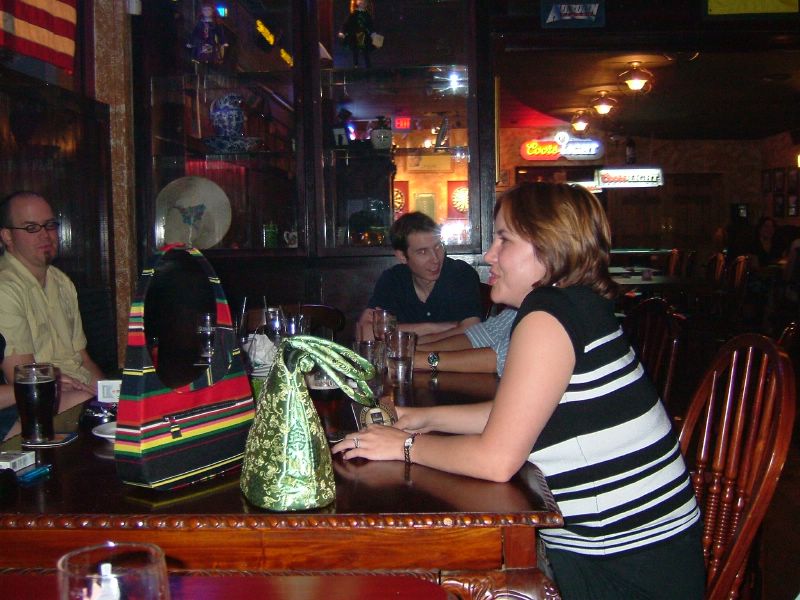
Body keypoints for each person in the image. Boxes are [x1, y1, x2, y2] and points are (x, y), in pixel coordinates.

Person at [336, 183, 704, 599]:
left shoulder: (548, 316)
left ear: (548, 247)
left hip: (623, 572)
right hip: (648, 554)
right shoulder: (575, 304)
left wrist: (403, 446)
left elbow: (495, 460)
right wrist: (422, 418)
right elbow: (520, 412)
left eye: (504, 240)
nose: (489, 255)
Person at [0, 192, 102, 439]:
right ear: (7, 236)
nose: (45, 235)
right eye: (31, 228)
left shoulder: (61, 281)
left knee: (132, 397)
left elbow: (83, 359)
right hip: (34, 400)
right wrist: (78, 391)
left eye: (50, 225)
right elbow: (22, 378)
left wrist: (111, 393)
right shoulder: (5, 288)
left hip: (75, 389)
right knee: (87, 404)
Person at [356, 212, 482, 340]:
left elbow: (473, 331)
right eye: (422, 252)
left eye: (438, 246)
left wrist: (400, 334)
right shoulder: (393, 280)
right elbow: (365, 334)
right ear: (402, 256)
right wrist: (433, 328)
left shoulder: (460, 274)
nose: (435, 259)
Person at [415, 308, 517, 375]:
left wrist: (417, 359)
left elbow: (500, 358)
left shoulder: (527, 312)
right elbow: (481, 336)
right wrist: (411, 350)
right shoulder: (516, 309)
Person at [338, 0, 375, 68]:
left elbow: (370, 25)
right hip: (355, 35)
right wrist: (342, 31)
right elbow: (346, 24)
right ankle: (356, 65)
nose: (363, 4)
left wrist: (373, 33)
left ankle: (367, 66)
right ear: (358, 3)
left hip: (364, 35)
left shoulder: (367, 15)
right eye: (362, 2)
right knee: (356, 51)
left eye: (365, 3)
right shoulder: (353, 14)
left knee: (365, 51)